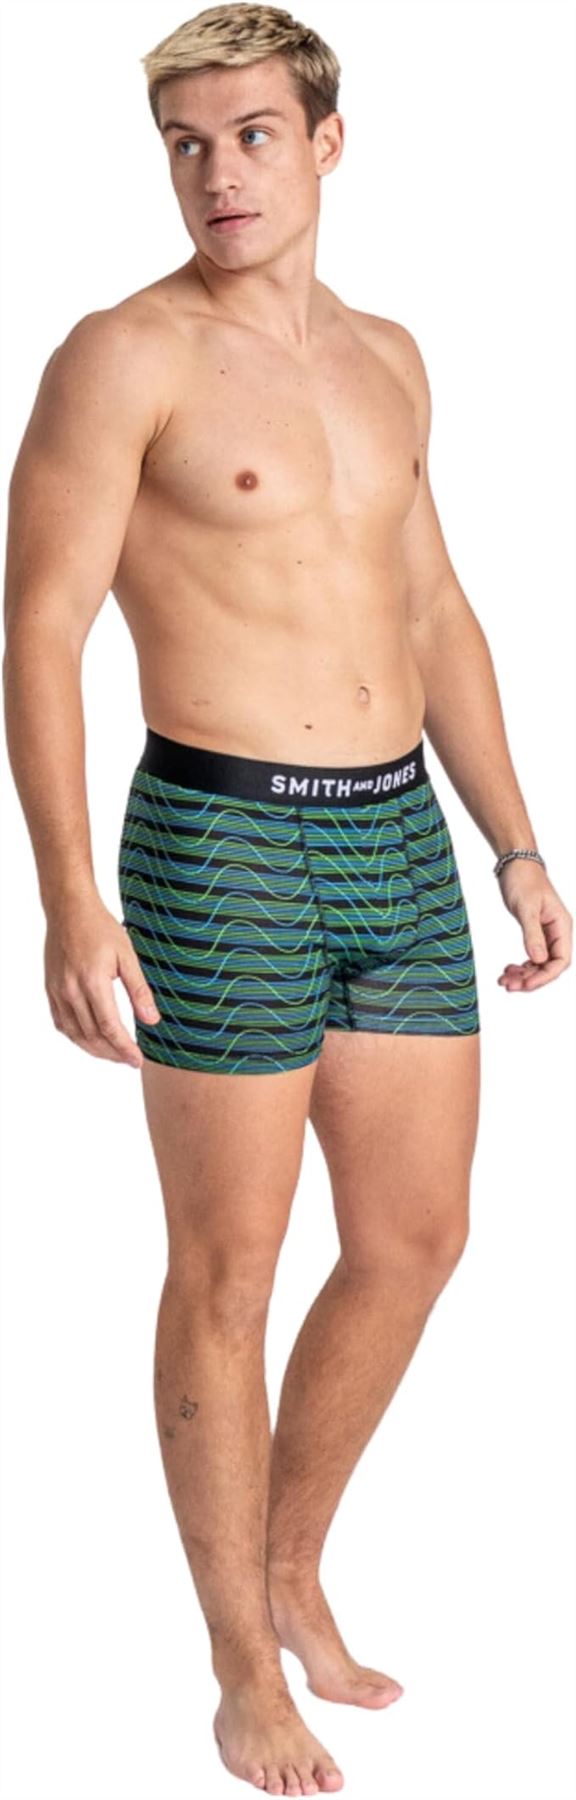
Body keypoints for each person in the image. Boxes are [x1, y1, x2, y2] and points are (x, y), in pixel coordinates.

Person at [3, 4, 572, 1794]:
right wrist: (69, 895)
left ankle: (291, 1566)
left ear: (328, 143)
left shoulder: (391, 357)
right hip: (219, 842)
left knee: (414, 1240)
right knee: (229, 1268)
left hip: (396, 836)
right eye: (185, 143)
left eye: (251, 134)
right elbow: (39, 626)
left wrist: (516, 840)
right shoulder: (121, 356)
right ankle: (239, 1671)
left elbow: (435, 609)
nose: (217, 173)